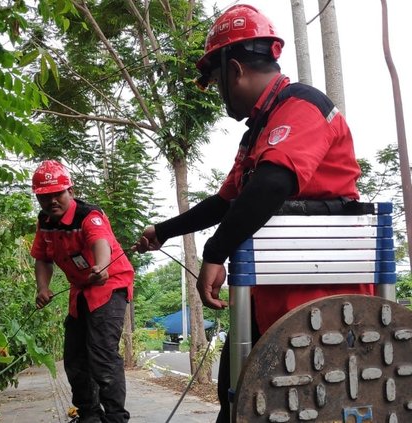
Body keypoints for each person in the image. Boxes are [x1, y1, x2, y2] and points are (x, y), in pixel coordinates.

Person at [134, 4, 374, 422]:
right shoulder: (258, 133)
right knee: (237, 399)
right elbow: (229, 200)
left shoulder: (302, 105)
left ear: (236, 69)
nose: (218, 89)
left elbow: (271, 186)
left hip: (318, 301)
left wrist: (214, 252)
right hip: (266, 293)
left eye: (214, 79)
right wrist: (165, 231)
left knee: (306, 407)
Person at [30, 160, 134, 423]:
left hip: (110, 283)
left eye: (58, 194)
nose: (52, 201)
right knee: (74, 356)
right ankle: (89, 416)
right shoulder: (45, 223)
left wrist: (100, 266)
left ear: (71, 192)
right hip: (81, 289)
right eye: (45, 196)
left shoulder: (89, 216)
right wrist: (43, 287)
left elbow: (100, 241)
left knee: (101, 353)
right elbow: (42, 258)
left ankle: (115, 418)